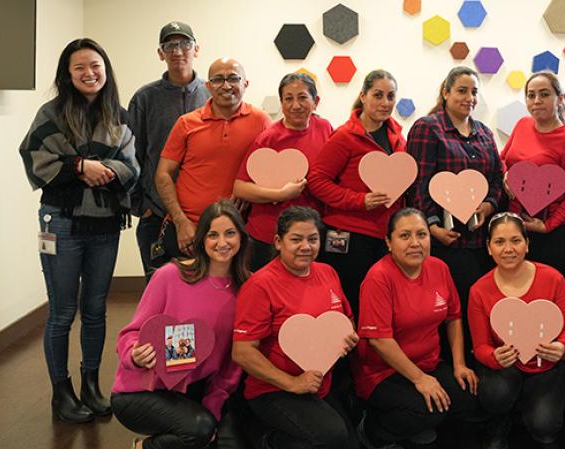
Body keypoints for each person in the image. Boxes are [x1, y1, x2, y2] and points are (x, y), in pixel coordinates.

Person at [19, 38, 139, 423]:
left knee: (95, 310)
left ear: (106, 69)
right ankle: (61, 391)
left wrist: (105, 170)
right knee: (62, 312)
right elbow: (34, 158)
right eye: (80, 68)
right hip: (61, 222)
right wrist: (79, 167)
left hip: (104, 225)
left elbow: (132, 167)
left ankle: (91, 384)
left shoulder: (117, 115)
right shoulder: (51, 113)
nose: (90, 74)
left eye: (96, 66)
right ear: (67, 75)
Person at [111, 200, 256, 449]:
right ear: (201, 239)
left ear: (241, 237)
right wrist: (134, 354)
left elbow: (231, 364)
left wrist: (213, 408)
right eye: (213, 234)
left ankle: (187, 435)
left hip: (197, 392)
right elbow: (130, 333)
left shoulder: (247, 289)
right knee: (199, 430)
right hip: (144, 390)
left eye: (230, 233)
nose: (222, 242)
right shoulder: (171, 275)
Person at [233, 206, 360, 449]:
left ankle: (295, 441)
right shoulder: (260, 285)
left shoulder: (328, 273)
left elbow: (346, 320)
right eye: (296, 239)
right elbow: (242, 352)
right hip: (274, 390)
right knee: (331, 438)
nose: (306, 247)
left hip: (318, 386)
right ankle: (271, 444)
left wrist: (347, 337)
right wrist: (292, 383)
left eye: (312, 239)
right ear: (278, 242)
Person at [352, 208, 478, 449]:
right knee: (421, 409)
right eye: (405, 235)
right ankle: (373, 433)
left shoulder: (439, 268)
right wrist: (420, 380)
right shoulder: (378, 277)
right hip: (383, 372)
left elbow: (453, 317)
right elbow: (379, 340)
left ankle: (414, 421)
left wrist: (458, 364)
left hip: (428, 364)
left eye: (422, 234)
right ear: (388, 242)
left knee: (465, 396)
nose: (415, 243)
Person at [406, 66, 504, 359]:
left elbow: (497, 178)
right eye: (462, 90)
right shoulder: (428, 128)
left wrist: (489, 205)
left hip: (479, 240)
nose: (469, 98)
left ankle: (478, 365)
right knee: (450, 311)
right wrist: (432, 225)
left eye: (474, 92)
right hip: (444, 241)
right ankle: (452, 368)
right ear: (446, 92)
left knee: (478, 309)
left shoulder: (484, 133)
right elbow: (418, 182)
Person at [467, 212, 565, 449]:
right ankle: (500, 419)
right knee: (495, 394)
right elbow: (480, 346)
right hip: (505, 370)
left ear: (527, 244)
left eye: (516, 240)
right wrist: (493, 357)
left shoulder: (553, 279)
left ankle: (531, 403)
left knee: (545, 429)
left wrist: (562, 348)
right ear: (488, 248)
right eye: (499, 242)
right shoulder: (479, 290)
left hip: (546, 366)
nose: (508, 248)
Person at [308, 70, 406, 317]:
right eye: (378, 95)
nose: (385, 103)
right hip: (348, 237)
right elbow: (317, 181)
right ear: (363, 96)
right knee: (350, 305)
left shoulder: (397, 137)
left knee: (377, 306)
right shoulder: (345, 136)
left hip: (384, 237)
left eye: (391, 96)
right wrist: (360, 200)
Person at [154, 57, 271, 264]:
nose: (226, 85)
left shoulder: (261, 121)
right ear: (208, 86)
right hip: (189, 229)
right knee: (187, 292)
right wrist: (181, 221)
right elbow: (163, 174)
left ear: (245, 83)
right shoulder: (186, 123)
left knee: (236, 292)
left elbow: (269, 169)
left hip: (239, 229)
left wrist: (249, 192)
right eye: (218, 80)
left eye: (233, 78)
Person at [500, 71, 565, 339]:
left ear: (559, 99)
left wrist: (548, 225)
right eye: (531, 95)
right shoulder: (522, 126)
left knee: (551, 306)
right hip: (519, 231)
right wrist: (505, 174)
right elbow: (503, 158)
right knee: (521, 300)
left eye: (544, 94)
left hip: (555, 237)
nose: (536, 100)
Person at [128, 21, 209, 281]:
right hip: (158, 215)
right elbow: (132, 154)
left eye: (184, 44)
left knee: (205, 291)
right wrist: (141, 205)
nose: (177, 51)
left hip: (206, 216)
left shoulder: (213, 94)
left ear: (196, 49)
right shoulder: (145, 98)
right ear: (160, 53)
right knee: (160, 293)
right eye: (170, 45)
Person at [234, 72, 332, 271]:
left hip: (309, 235)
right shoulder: (268, 139)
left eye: (303, 97)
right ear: (281, 102)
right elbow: (240, 188)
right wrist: (280, 195)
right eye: (288, 99)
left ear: (316, 101)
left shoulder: (325, 128)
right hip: (268, 237)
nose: (295, 105)